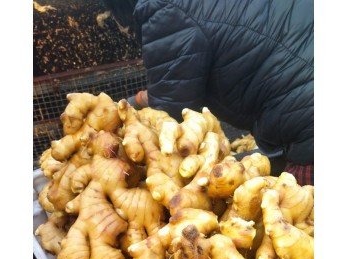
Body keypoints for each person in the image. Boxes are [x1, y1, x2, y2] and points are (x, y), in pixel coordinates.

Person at [103, 0, 314, 185]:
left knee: (299, 209)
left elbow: (170, 115)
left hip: (308, 119)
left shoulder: (163, 7)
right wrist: (140, 100)